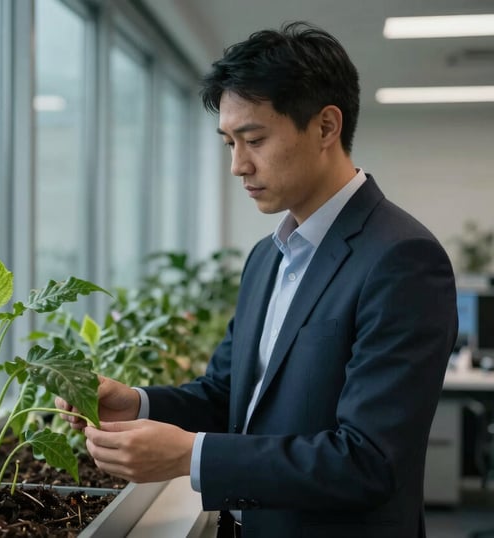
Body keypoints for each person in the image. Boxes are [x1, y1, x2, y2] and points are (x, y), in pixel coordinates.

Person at [57, 21, 458, 538]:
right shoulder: (266, 258)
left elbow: (369, 460)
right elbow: (232, 396)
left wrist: (191, 456)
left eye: (255, 139)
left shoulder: (401, 258)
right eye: (228, 143)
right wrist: (137, 403)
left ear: (326, 128)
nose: (237, 166)